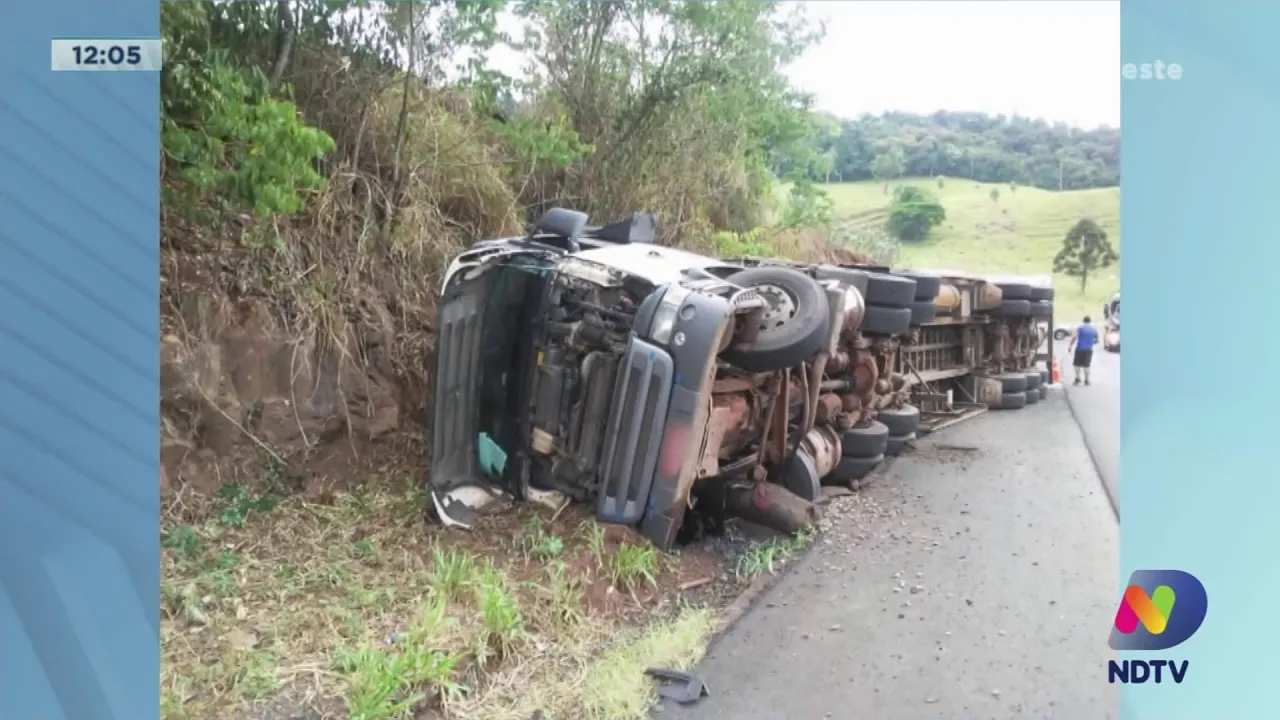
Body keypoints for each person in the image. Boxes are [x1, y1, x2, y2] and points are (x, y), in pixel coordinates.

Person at [1067, 315, 1099, 386]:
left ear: (1083, 321)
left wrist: (1070, 346)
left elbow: (1074, 337)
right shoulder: (1094, 329)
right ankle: (1087, 380)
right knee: (1087, 365)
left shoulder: (1079, 328)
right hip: (1088, 350)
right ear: (1090, 321)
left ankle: (1077, 378)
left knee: (1077, 364)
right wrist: (1090, 342)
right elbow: (1097, 341)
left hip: (1079, 349)